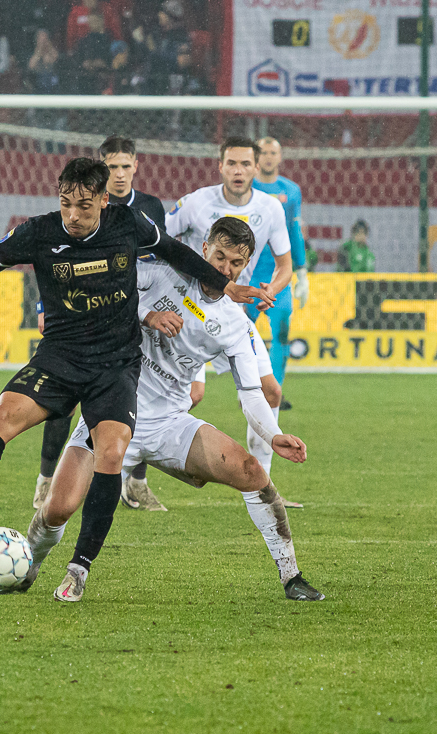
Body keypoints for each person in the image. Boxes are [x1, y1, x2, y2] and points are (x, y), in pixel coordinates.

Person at [0, 158, 271, 599]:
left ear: (103, 202)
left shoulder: (128, 222)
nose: (73, 216)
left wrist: (221, 285)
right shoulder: (39, 232)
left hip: (114, 365)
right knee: (4, 415)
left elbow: (176, 252)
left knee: (111, 452)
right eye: (66, 204)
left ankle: (79, 567)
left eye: (84, 207)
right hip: (59, 356)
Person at [19, 217, 324, 603]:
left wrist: (273, 434)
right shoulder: (163, 273)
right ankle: (26, 566)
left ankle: (291, 576)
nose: (224, 268)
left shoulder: (236, 325)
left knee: (252, 471)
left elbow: (250, 393)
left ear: (245, 266)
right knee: (57, 509)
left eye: (235, 263)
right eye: (219, 256)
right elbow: (104, 292)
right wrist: (147, 314)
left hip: (170, 425)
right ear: (204, 250)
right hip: (112, 411)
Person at [35, 134, 169, 512]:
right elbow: (52, 259)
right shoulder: (81, 210)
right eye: (112, 167)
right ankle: (47, 479)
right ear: (101, 169)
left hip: (134, 313)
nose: (120, 174)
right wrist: (43, 304)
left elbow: (161, 261)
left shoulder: (149, 208)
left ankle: (135, 483)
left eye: (126, 166)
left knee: (135, 397)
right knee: (63, 399)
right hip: (84, 313)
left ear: (137, 167)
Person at [164, 137, 298, 504]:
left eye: (245, 164)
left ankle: (263, 491)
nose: (238, 171)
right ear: (219, 165)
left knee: (270, 392)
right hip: (187, 313)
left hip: (231, 316)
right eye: (231, 163)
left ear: (257, 168)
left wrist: (273, 288)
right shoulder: (195, 203)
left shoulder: (270, 208)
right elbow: (158, 241)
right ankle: (131, 464)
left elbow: (286, 265)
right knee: (193, 394)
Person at [252, 137, 308, 406]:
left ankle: (275, 390)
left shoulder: (291, 191)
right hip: (246, 275)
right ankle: (250, 391)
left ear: (280, 156)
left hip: (278, 275)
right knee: (238, 337)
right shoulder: (244, 187)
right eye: (263, 152)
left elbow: (295, 232)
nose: (268, 157)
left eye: (273, 152)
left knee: (281, 333)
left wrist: (302, 272)